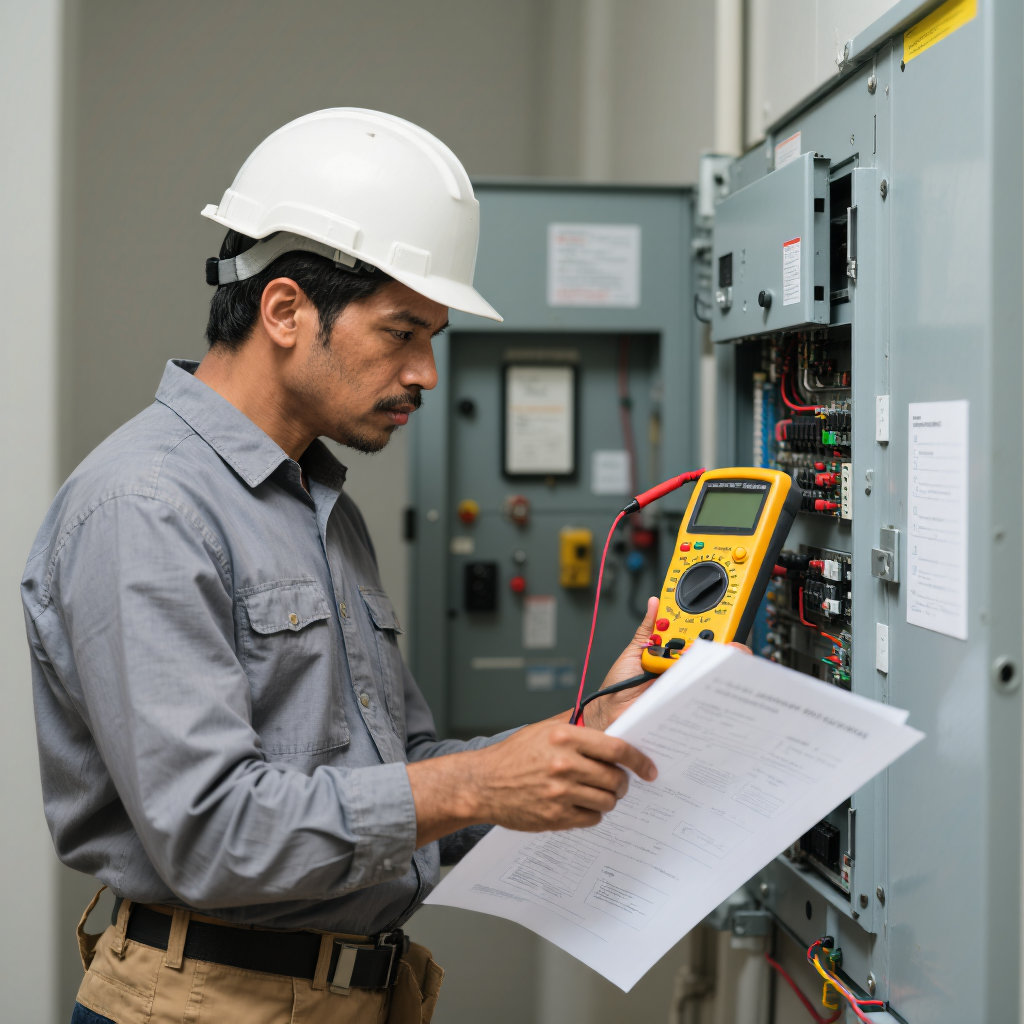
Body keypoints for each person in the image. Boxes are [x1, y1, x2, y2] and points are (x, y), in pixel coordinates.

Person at [23, 109, 664, 1024]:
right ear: (285, 310)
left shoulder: (317, 503)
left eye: (433, 336)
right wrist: (480, 783)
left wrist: (585, 730)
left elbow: (402, 768)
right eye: (403, 333)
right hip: (206, 1004)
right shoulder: (146, 506)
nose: (427, 373)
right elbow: (211, 833)